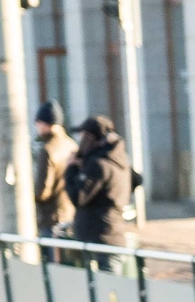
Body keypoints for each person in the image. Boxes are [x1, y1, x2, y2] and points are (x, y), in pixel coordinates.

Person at [63, 114, 137, 262]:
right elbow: (136, 179)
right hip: (113, 234)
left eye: (83, 136)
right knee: (110, 283)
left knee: (104, 283)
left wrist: (71, 169)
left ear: (90, 138)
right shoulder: (118, 158)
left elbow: (78, 197)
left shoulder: (98, 164)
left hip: (99, 239)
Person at [32, 101, 75, 230]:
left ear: (45, 124)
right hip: (69, 212)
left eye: (38, 123)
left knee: (50, 248)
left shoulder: (47, 150)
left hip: (51, 216)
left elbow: (43, 191)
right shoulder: (71, 144)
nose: (37, 127)